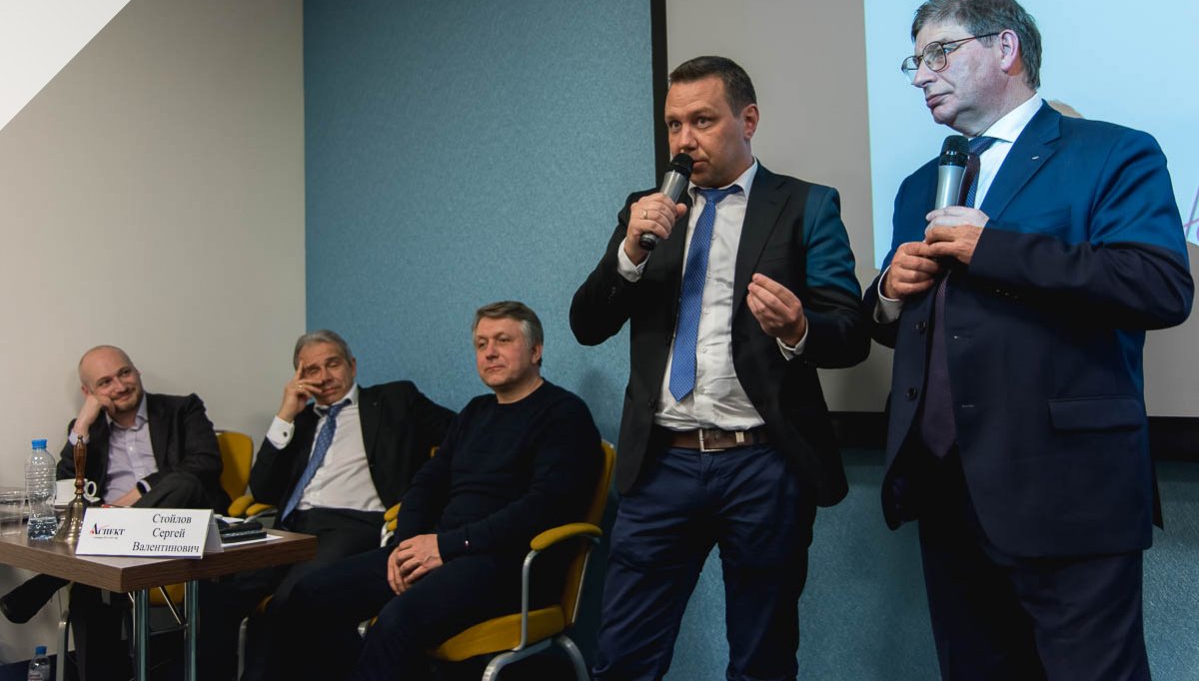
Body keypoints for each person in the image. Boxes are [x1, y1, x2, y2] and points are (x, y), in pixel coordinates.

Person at [866, 0, 1193, 680]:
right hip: (946, 488)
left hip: (1068, 490)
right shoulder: (920, 184)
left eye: (938, 53)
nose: (921, 76)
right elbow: (929, 329)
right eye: (915, 62)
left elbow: (1159, 286)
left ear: (1005, 48)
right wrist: (888, 296)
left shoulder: (1112, 153)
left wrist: (993, 248)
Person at [571, 56, 869, 681]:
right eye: (673, 124)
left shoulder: (806, 206)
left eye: (702, 121)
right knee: (623, 657)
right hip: (661, 464)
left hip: (762, 465)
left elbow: (850, 334)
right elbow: (587, 324)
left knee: (762, 660)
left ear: (748, 120)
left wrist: (799, 328)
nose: (684, 140)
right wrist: (627, 254)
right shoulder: (647, 210)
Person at [264, 302, 601, 681]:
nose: (490, 352)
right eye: (481, 344)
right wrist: (405, 548)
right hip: (441, 552)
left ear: (536, 350)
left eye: (503, 340)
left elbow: (542, 509)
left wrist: (447, 546)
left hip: (508, 564)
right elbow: (427, 483)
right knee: (310, 595)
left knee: (396, 620)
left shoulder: (564, 414)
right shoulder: (475, 412)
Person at [203, 329, 453, 680]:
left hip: (352, 525)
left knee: (290, 599)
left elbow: (462, 436)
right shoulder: (301, 421)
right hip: (291, 528)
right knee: (217, 592)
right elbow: (262, 489)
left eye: (332, 364)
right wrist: (285, 414)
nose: (323, 377)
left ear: (352, 365)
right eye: (311, 370)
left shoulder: (395, 399)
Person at [0, 345, 228, 681]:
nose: (120, 386)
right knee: (91, 590)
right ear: (88, 392)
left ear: (136, 371)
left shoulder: (182, 409)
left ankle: (54, 576)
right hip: (114, 541)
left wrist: (138, 493)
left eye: (124, 373)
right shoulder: (90, 430)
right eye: (105, 382)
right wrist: (82, 423)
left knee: (183, 482)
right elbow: (66, 486)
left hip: (177, 528)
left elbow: (206, 463)